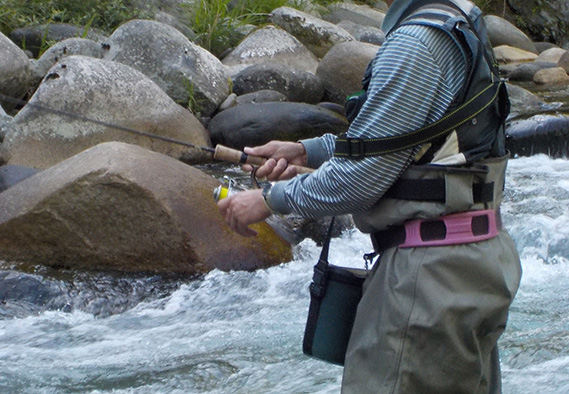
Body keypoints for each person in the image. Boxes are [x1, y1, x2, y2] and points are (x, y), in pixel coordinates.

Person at [218, 0, 522, 392]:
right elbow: (408, 140)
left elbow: (359, 179)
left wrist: (269, 199)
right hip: (473, 263)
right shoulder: (459, 21)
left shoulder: (417, 42)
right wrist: (308, 150)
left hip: (429, 279)